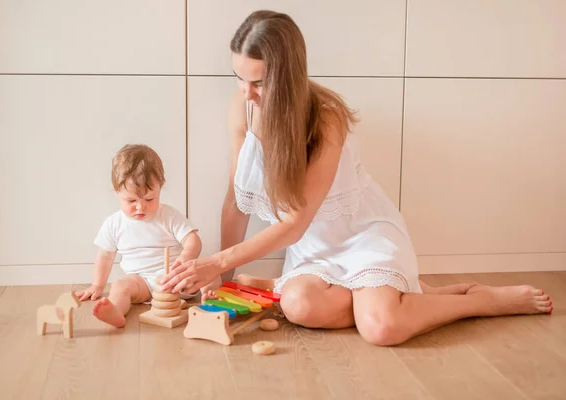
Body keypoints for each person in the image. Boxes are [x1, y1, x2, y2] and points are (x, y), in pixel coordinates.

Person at [161, 10, 553, 345]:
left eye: (258, 82)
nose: (246, 93)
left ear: (287, 77)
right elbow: (236, 202)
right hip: (315, 250)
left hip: (363, 234)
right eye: (239, 78)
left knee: (380, 328)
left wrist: (214, 261)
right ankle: (402, 294)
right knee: (298, 306)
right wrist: (224, 282)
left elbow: (295, 223)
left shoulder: (326, 117)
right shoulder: (242, 109)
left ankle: (477, 301)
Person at [76, 144, 220, 327]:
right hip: (142, 282)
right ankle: (116, 312)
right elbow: (105, 256)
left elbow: (193, 241)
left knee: (212, 274)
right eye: (131, 201)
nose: (140, 207)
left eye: (149, 199)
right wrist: (97, 285)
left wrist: (185, 259)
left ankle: (209, 303)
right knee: (120, 286)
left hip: (176, 279)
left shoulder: (168, 215)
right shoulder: (114, 223)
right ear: (116, 192)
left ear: (160, 188)